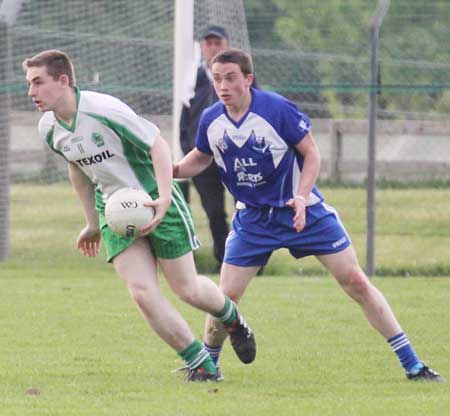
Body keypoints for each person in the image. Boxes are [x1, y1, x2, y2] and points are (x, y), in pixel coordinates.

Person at [173, 48, 445, 382]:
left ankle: (413, 365)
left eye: (230, 78)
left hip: (304, 212)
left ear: (248, 79)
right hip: (254, 219)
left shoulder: (276, 109)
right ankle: (208, 368)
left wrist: (301, 197)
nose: (223, 86)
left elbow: (311, 153)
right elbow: (201, 158)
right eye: (217, 79)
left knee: (356, 282)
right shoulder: (211, 119)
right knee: (225, 297)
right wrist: (169, 170)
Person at [23, 49, 256, 383]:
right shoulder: (49, 128)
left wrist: (163, 198)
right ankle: (201, 363)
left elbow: (157, 146)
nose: (31, 92)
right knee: (142, 292)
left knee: (187, 290)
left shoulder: (103, 110)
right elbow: (77, 166)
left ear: (63, 81)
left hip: (153, 198)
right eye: (29, 83)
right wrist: (91, 222)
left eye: (38, 82)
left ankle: (231, 317)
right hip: (113, 208)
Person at [179, 25, 231, 269]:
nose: (213, 48)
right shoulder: (192, 79)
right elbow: (184, 118)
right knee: (214, 212)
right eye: (208, 43)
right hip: (204, 158)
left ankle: (252, 260)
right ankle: (223, 260)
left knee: (249, 208)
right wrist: (189, 148)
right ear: (202, 47)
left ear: (226, 45)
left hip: (234, 156)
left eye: (217, 43)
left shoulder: (240, 77)